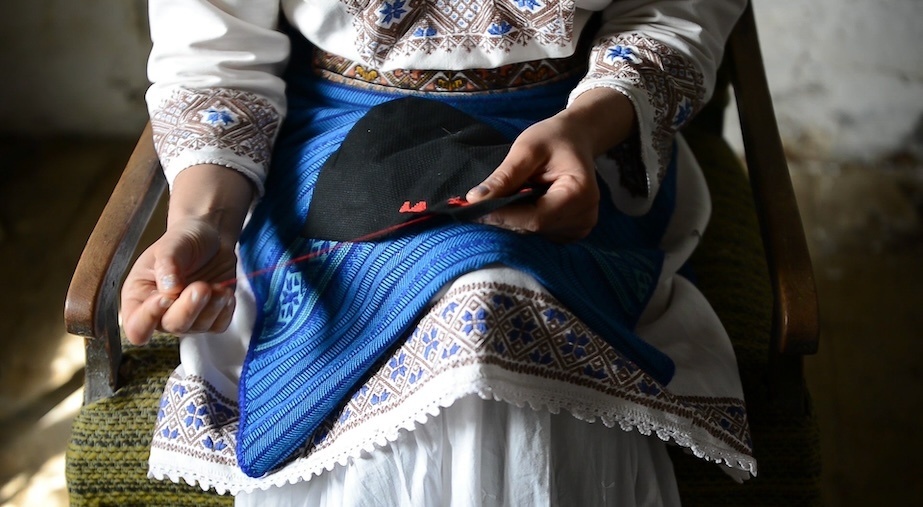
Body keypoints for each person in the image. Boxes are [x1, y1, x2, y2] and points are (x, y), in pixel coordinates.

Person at [121, 0, 755, 504]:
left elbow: (674, 14)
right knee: (452, 293)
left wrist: (586, 128)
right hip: (341, 129)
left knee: (497, 296)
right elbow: (217, 57)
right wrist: (205, 222)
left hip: (576, 126)